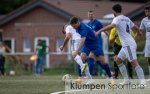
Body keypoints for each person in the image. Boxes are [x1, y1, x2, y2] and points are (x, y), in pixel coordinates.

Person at [95, 4, 146, 85]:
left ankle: (143, 82)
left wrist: (99, 31)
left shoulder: (117, 19)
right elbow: (136, 27)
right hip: (128, 44)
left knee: (134, 62)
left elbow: (112, 26)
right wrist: (139, 32)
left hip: (128, 45)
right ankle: (126, 80)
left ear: (114, 12)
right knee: (118, 60)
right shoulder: (126, 18)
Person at [70, 16, 115, 85]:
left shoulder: (83, 28)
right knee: (81, 58)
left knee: (101, 61)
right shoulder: (77, 26)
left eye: (74, 26)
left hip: (95, 43)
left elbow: (82, 41)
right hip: (87, 44)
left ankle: (111, 78)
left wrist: (76, 51)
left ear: (77, 23)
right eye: (72, 26)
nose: (73, 27)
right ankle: (81, 78)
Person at [140, 5, 150, 81]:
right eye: (146, 11)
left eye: (149, 11)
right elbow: (140, 30)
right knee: (148, 59)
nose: (147, 13)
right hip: (148, 42)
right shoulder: (144, 20)